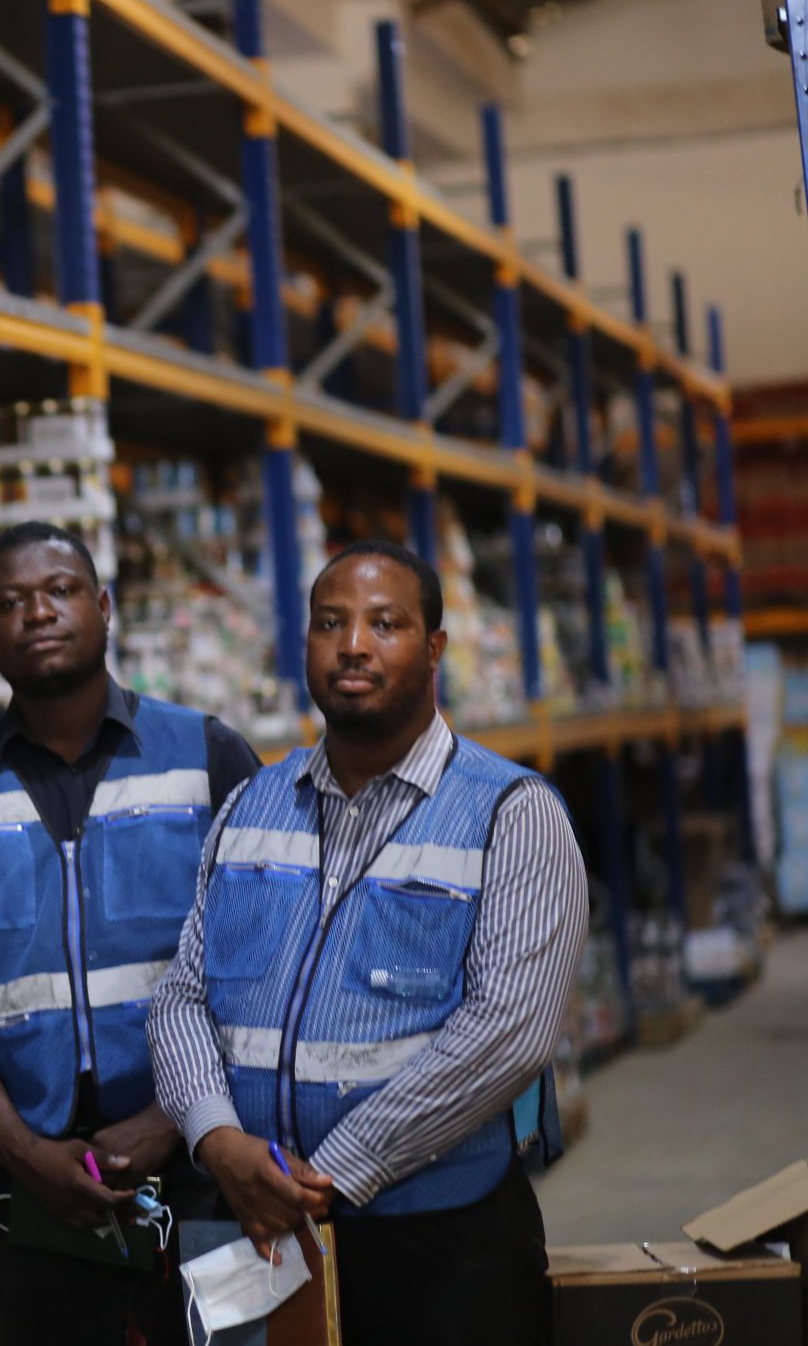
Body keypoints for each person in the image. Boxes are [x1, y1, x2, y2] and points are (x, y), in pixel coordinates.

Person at [149, 540, 586, 1345]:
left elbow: (508, 1033)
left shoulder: (511, 814)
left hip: (438, 1242)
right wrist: (216, 1136)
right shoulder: (252, 805)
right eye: (330, 622)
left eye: (385, 623)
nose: (353, 643)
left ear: (435, 649)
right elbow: (181, 995)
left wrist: (328, 1176)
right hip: (256, 1228)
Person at [0, 521, 261, 1346]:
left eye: (58, 590)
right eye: (10, 602)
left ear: (104, 605)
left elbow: (269, 955)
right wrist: (21, 1151)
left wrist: (175, 1117)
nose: (37, 613)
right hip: (29, 1191)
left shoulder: (206, 755)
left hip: (203, 1170)